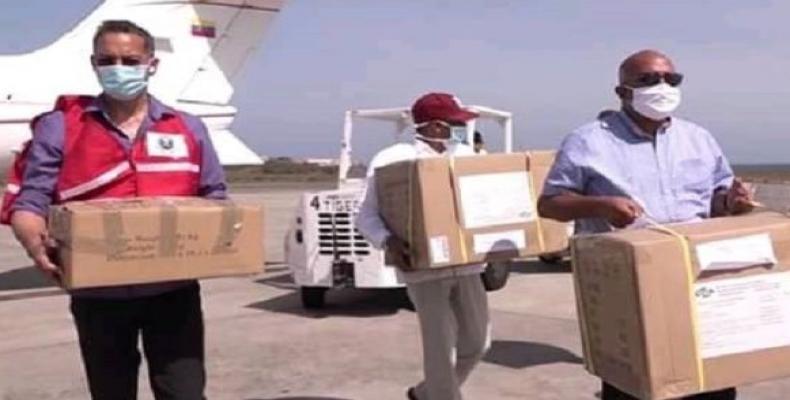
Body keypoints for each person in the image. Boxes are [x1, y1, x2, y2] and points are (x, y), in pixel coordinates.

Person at [3, 20, 226, 399]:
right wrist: (34, 246)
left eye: (130, 59)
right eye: (108, 60)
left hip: (173, 293)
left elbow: (215, 198)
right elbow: (30, 200)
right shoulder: (60, 127)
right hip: (98, 294)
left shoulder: (187, 128)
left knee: (184, 393)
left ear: (151, 65)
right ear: (94, 64)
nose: (118, 68)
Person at [537, 49, 753, 400]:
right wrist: (600, 205)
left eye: (671, 79)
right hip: (628, 287)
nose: (663, 87)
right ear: (622, 92)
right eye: (649, 80)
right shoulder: (588, 140)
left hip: (697, 280)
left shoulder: (699, 138)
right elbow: (549, 204)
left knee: (710, 383)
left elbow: (715, 200)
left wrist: (732, 202)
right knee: (637, 386)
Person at [356, 92, 490, 400]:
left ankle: (425, 393)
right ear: (437, 126)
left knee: (477, 343)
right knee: (441, 351)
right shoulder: (392, 159)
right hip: (423, 268)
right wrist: (387, 241)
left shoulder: (467, 157)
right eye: (457, 122)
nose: (462, 128)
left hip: (468, 264)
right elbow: (365, 214)